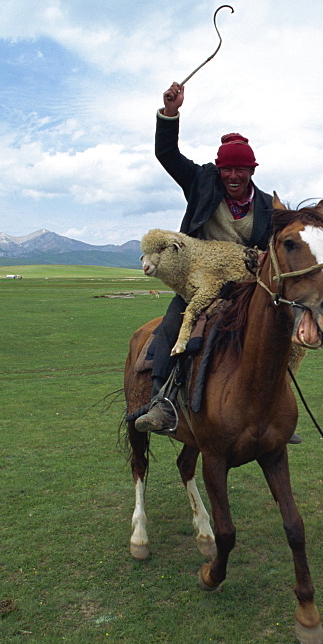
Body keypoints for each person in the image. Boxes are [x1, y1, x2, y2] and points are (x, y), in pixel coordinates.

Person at [134, 81, 277, 433]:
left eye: (240, 170)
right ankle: (161, 403)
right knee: (171, 326)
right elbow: (167, 154)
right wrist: (170, 113)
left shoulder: (265, 206)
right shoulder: (201, 182)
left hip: (245, 289)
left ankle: (271, 410)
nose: (233, 176)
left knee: (275, 333)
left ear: (252, 171)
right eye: (227, 169)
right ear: (219, 168)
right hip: (198, 283)